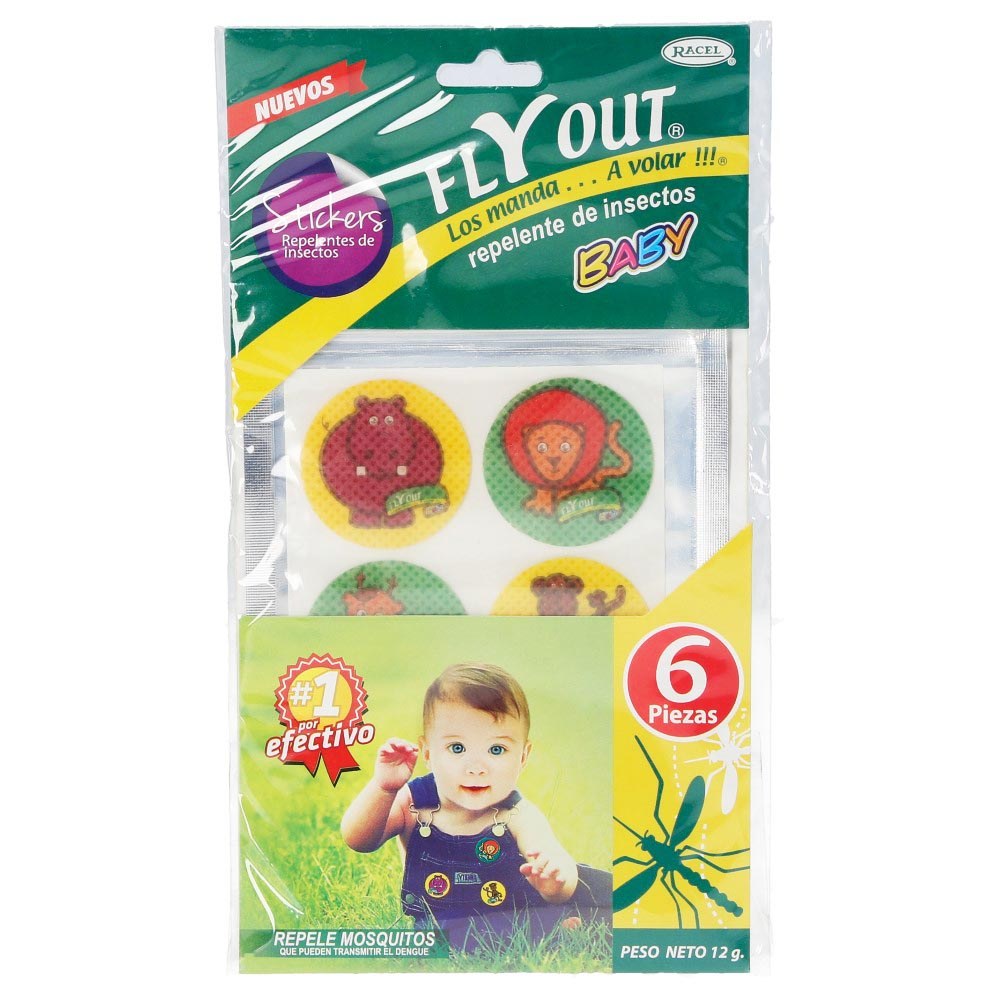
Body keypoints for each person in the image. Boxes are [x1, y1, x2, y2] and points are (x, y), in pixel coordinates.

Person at [341, 662, 610, 951]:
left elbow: (554, 856)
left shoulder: (516, 814)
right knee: (446, 938)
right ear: (428, 753)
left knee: (587, 884)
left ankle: (583, 913)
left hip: (513, 913)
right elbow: (359, 840)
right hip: (441, 924)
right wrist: (384, 788)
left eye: (496, 749)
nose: (476, 767)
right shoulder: (413, 803)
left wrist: (555, 883)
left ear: (522, 757)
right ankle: (562, 925)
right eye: (457, 748)